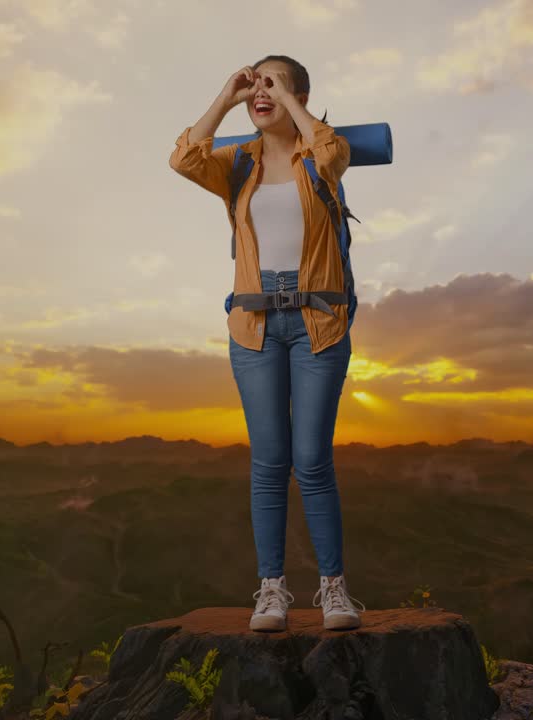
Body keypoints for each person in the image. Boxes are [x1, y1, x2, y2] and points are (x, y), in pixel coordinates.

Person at [168, 55, 365, 632]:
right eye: (255, 82)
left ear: (297, 92)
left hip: (318, 324)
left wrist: (292, 102)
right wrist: (226, 97)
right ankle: (272, 591)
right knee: (268, 462)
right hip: (254, 328)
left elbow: (331, 150)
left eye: (271, 82)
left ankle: (333, 591)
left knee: (312, 461)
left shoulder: (320, 157)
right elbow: (183, 158)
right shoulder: (238, 164)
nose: (261, 89)